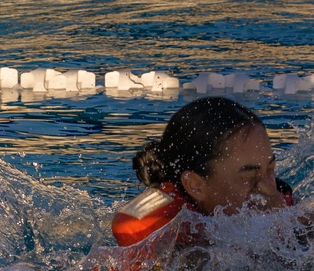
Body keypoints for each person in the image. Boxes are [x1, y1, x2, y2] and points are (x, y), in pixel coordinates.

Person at [112, 96, 295, 248]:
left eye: (270, 169)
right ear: (196, 186)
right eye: (248, 175)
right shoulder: (163, 237)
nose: (268, 188)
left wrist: (284, 227)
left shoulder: (280, 199)